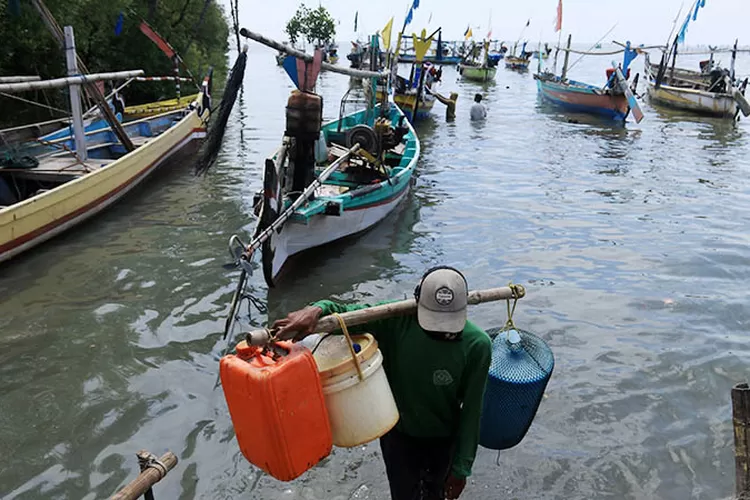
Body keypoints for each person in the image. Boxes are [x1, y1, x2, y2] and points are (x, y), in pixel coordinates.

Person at [272, 267, 492, 500]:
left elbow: (472, 410)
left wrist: (462, 468)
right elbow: (343, 315)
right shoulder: (393, 321)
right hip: (397, 433)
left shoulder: (477, 345)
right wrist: (317, 309)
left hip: (444, 437)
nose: (440, 333)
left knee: (435, 494)